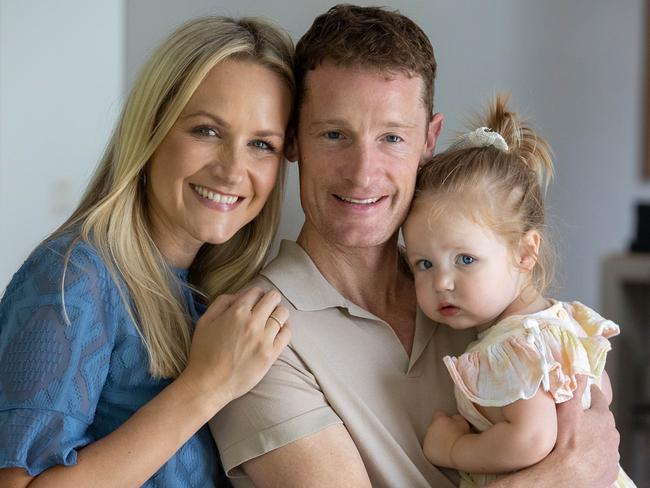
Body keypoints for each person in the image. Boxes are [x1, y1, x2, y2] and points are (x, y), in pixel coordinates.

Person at [210, 5, 621, 488]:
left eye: (392, 137)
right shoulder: (257, 336)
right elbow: (579, 456)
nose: (363, 173)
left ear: (429, 139)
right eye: (335, 134)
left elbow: (596, 425)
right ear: (294, 140)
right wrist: (562, 474)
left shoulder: (476, 293)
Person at [0, 16, 294, 487]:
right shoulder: (73, 277)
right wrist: (206, 387)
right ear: (151, 128)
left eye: (262, 144)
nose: (233, 170)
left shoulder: (208, 295)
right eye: (207, 131)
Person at [402, 95, 634, 487]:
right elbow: (599, 398)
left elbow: (531, 438)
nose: (441, 281)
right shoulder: (563, 320)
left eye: (465, 260)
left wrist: (453, 447)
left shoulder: (510, 347)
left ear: (526, 252)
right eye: (424, 264)